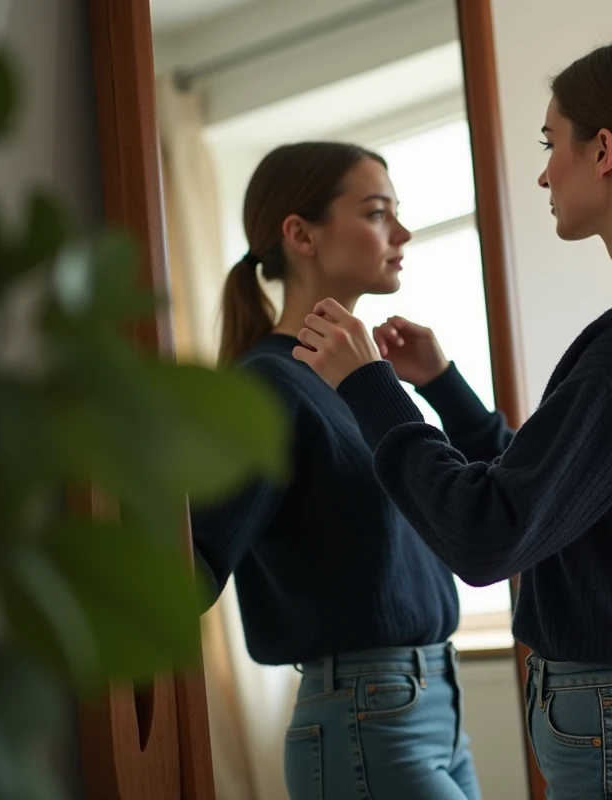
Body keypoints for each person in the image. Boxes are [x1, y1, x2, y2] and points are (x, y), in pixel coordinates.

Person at [293, 34, 612, 800]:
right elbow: (552, 503)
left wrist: (371, 389)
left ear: (604, 149)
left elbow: (489, 534)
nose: (543, 170)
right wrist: (443, 387)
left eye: (550, 142)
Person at [189, 141, 488, 800]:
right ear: (301, 234)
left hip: (433, 706)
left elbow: (481, 506)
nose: (402, 232)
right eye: (378, 212)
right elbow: (195, 558)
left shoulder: (361, 383)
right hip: (366, 717)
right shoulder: (267, 386)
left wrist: (441, 384)